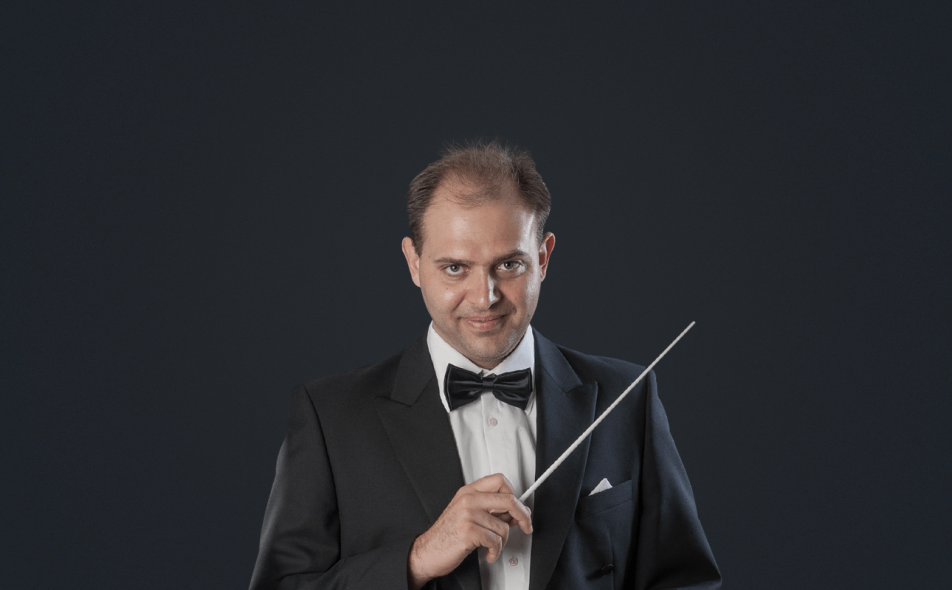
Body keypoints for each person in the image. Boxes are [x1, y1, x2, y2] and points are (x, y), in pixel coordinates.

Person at [249, 142, 721, 590]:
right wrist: (417, 559)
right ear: (414, 263)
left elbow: (686, 581)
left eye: (509, 265)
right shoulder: (330, 417)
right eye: (455, 268)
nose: (484, 297)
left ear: (543, 258)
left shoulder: (628, 397)